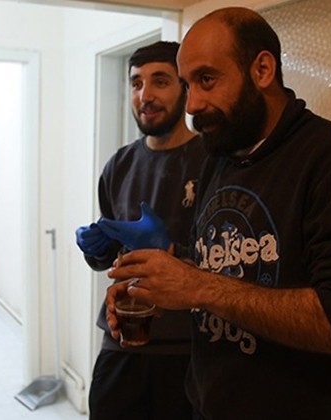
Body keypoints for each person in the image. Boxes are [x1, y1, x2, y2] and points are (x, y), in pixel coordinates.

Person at [101, 7, 331, 420]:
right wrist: (161, 282)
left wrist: (198, 286)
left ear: (262, 69)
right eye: (187, 85)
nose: (193, 105)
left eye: (207, 80)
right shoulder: (220, 159)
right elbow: (223, 269)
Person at [74, 41, 207, 420]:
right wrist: (97, 250)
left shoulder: (213, 162)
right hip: (121, 341)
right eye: (136, 83)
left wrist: (172, 250)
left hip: (187, 350)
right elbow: (111, 258)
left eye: (160, 81)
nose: (145, 95)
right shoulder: (119, 164)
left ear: (184, 88)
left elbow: (233, 264)